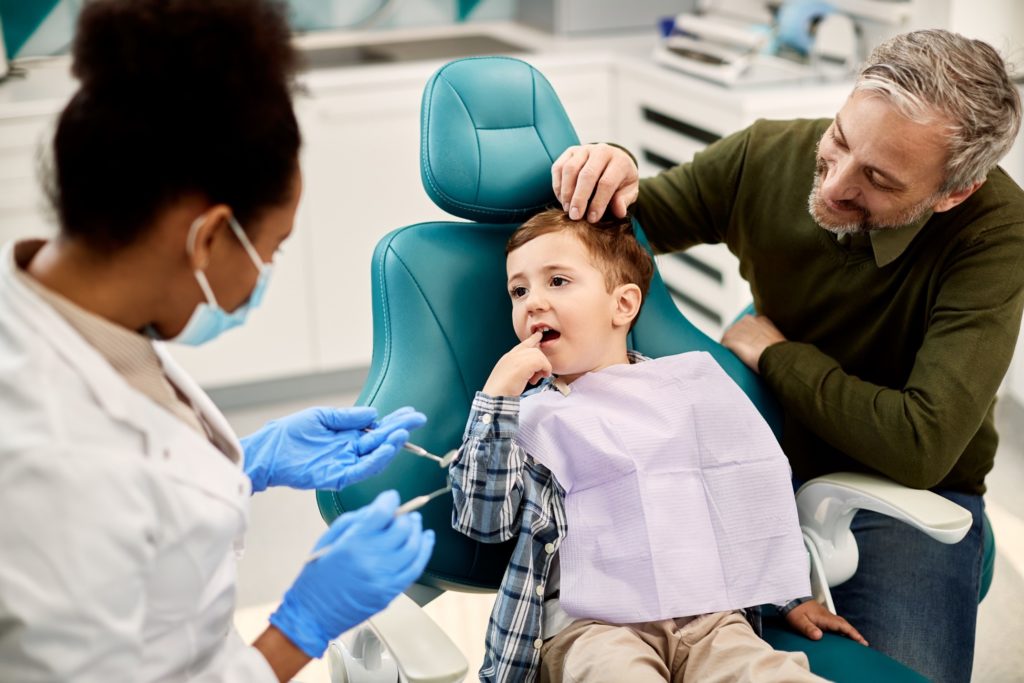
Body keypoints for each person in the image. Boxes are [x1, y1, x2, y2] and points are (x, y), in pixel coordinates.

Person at [550, 29, 1023, 683]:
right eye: (840, 139)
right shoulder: (767, 153)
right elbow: (618, 230)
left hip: (909, 486)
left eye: (879, 180)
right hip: (750, 461)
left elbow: (923, 442)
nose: (834, 185)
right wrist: (613, 166)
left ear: (952, 194)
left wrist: (774, 354)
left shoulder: (996, 232)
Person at [0, 1, 434, 681]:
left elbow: (143, 491)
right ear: (207, 239)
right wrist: (301, 627)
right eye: (272, 249)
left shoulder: (70, 312)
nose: (266, 275)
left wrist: (248, 462)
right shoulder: (51, 472)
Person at [450, 208, 867, 683]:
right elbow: (483, 522)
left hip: (708, 616)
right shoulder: (526, 418)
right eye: (519, 291)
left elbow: (737, 498)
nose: (533, 303)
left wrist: (789, 596)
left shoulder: (686, 392)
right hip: (592, 628)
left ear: (623, 305)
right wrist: (498, 399)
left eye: (558, 281)